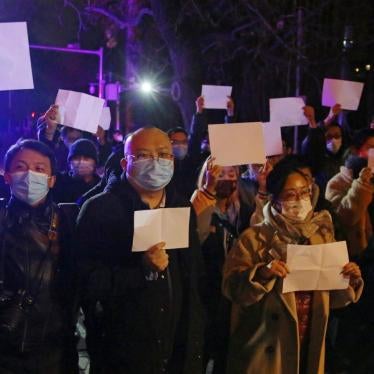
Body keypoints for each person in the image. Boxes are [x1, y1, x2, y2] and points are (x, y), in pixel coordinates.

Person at [76, 127, 205, 374]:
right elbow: (86, 282)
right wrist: (140, 271)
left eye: (164, 154)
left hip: (176, 350)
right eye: (144, 155)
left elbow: (192, 277)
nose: (156, 161)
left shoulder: (180, 206)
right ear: (126, 162)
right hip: (122, 354)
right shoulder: (100, 210)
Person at [222, 158, 363, 374]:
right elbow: (232, 290)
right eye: (290, 195)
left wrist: (348, 279)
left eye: (304, 193)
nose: (300, 200)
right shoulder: (254, 238)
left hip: (307, 343)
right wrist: (261, 273)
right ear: (275, 199)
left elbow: (332, 300)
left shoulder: (321, 235)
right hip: (267, 350)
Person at [0, 139, 78, 373]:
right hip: (6, 346)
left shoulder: (67, 221)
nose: (30, 175)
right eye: (21, 167)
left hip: (55, 346)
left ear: (52, 180)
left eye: (39, 169)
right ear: (7, 176)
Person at [325, 128, 374, 259]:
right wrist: (362, 184)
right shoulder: (337, 182)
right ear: (355, 151)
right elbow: (344, 219)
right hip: (357, 256)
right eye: (371, 148)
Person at [301, 104, 348, 195]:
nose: (333, 139)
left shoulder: (347, 159)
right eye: (329, 137)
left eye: (337, 136)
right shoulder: (317, 160)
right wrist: (314, 121)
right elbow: (312, 141)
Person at [53, 139, 101, 204]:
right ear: (70, 163)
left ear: (95, 163)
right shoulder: (59, 181)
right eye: (76, 158)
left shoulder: (102, 185)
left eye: (86, 158)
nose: (81, 162)